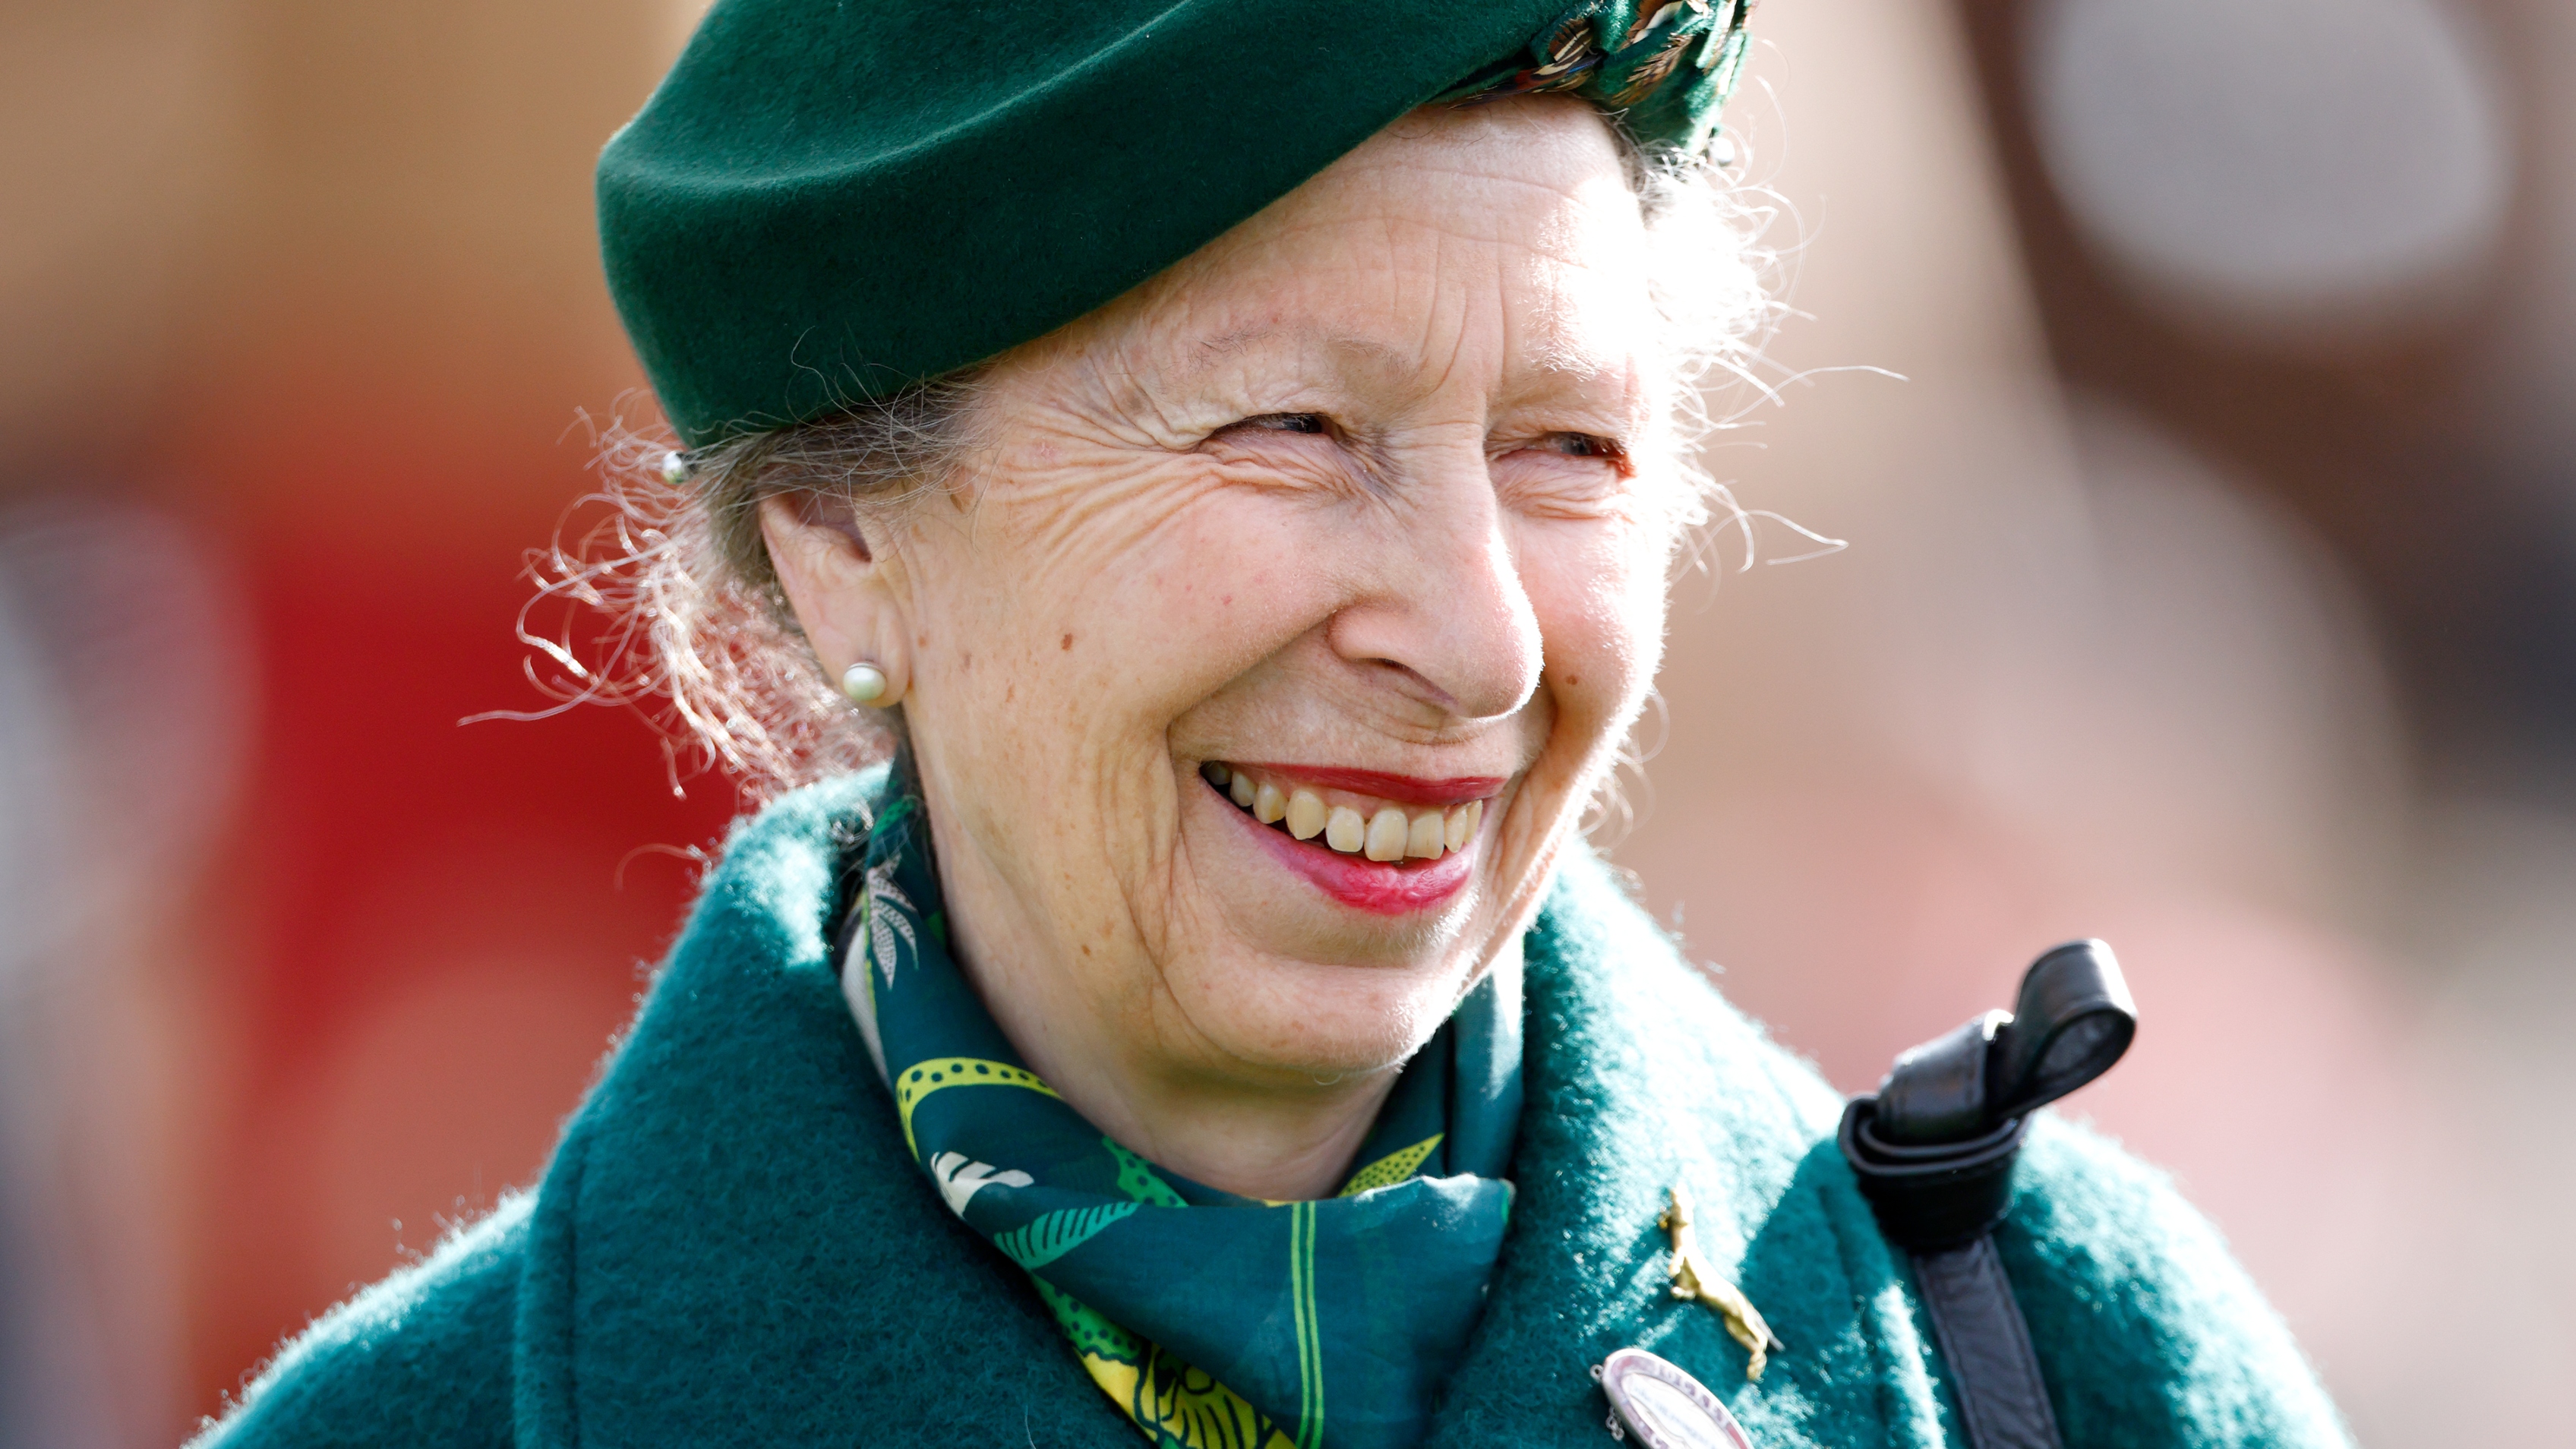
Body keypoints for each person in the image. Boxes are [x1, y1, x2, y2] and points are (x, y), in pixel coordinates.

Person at [193, 3, 2351, 1447]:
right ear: (848, 530)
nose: (1483, 636)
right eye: (1294, 428)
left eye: (1572, 450)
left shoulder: (2057, 1369)